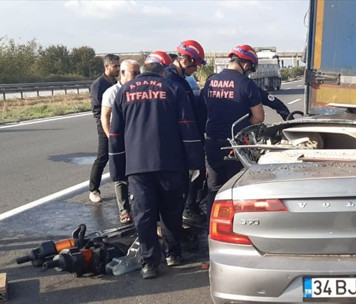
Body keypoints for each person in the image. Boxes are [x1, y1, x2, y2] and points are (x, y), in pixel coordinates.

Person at [108, 51, 203, 279]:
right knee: (171, 212)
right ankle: (173, 254)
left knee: (144, 214)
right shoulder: (174, 89)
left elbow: (115, 135)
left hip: (137, 166)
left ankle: (149, 263)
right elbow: (188, 128)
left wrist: (117, 170)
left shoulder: (124, 92)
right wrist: (195, 163)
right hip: (171, 163)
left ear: (144, 69)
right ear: (162, 70)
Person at [201, 44, 265, 217]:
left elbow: (203, 109)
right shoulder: (246, 83)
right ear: (245, 64)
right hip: (235, 145)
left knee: (214, 189)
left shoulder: (210, 81)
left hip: (212, 143)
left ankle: (211, 231)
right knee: (236, 189)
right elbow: (258, 117)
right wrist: (243, 127)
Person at [164, 40, 209, 228]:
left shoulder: (179, 78)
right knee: (191, 175)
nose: (196, 68)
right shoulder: (170, 80)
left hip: (190, 134)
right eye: (196, 64)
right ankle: (185, 211)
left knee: (195, 174)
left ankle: (188, 207)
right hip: (180, 139)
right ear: (186, 60)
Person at [100, 59, 140, 224]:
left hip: (135, 140)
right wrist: (111, 137)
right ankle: (124, 209)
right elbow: (105, 116)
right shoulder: (112, 92)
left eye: (139, 73)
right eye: (134, 73)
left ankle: (138, 205)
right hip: (119, 139)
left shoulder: (138, 90)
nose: (137, 76)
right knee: (120, 175)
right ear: (123, 73)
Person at [87, 54, 120, 203]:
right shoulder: (98, 84)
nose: (117, 69)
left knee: (121, 156)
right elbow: (96, 110)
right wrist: (105, 129)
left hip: (119, 124)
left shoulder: (116, 83)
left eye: (119, 66)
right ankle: (93, 189)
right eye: (115, 66)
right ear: (106, 67)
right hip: (105, 125)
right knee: (102, 157)